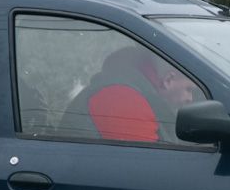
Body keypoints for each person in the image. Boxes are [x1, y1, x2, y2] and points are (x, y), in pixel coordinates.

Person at [61, 46, 200, 142]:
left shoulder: (137, 91)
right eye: (189, 90)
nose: (190, 99)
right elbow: (151, 166)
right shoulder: (120, 98)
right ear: (168, 80)